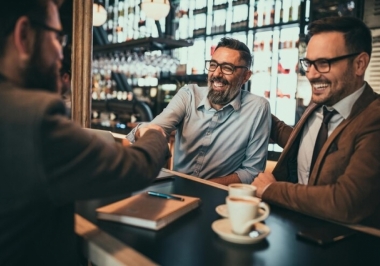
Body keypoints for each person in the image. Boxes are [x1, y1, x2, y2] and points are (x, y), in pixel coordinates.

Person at [0, 1, 170, 265]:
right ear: (23, 35)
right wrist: (156, 134)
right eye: (57, 37)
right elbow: (135, 167)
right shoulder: (33, 116)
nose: (60, 53)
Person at [253, 16, 380, 228]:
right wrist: (257, 110)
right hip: (294, 228)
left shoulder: (373, 117)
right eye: (308, 63)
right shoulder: (320, 104)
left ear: (360, 64)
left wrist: (270, 190)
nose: (311, 74)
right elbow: (301, 143)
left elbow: (347, 202)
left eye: (323, 63)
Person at [127, 37, 271, 185]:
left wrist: (201, 186)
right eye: (213, 65)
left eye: (227, 68)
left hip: (220, 197)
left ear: (246, 76)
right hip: (176, 190)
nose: (216, 74)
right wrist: (146, 132)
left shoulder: (258, 108)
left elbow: (252, 171)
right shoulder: (189, 95)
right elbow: (154, 129)